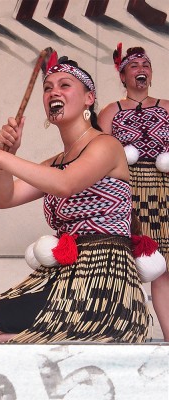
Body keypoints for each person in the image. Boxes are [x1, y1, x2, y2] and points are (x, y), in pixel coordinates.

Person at [0, 55, 150, 343]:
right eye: (47, 88)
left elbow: (65, 184)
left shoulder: (106, 146)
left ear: (88, 98)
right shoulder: (55, 162)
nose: (53, 92)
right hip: (65, 274)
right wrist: (5, 156)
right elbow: (4, 198)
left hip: (103, 278)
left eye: (64, 85)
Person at [98, 45, 169, 341]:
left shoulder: (167, 106)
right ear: (123, 74)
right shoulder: (110, 111)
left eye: (146, 64)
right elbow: (96, 153)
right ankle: (129, 335)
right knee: (129, 264)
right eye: (134, 64)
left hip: (164, 191)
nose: (142, 68)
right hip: (125, 193)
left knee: (164, 266)